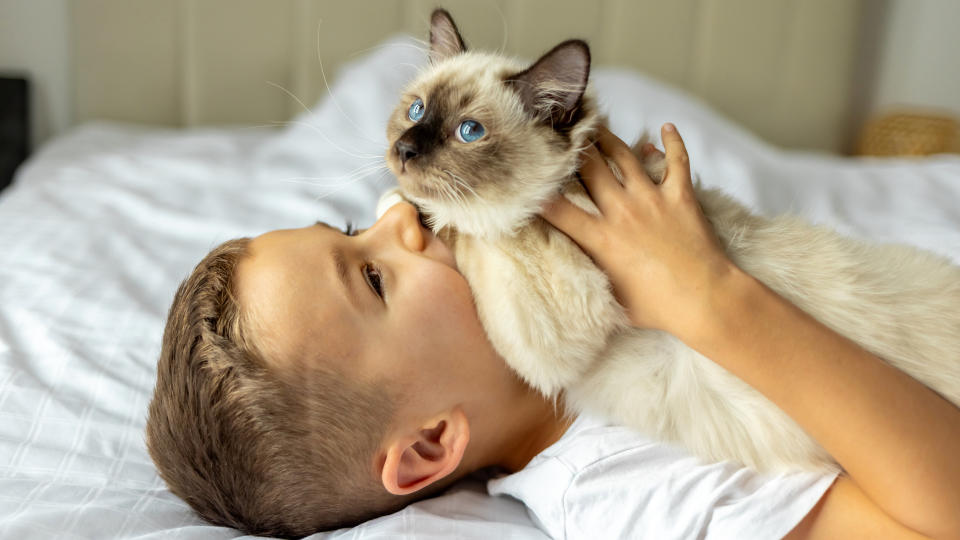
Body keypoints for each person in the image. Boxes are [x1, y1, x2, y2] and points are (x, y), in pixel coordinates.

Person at [145, 124, 960, 539]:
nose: (401, 214)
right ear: (431, 444)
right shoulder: (626, 492)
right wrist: (710, 298)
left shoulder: (572, 318)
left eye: (355, 225)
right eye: (373, 277)